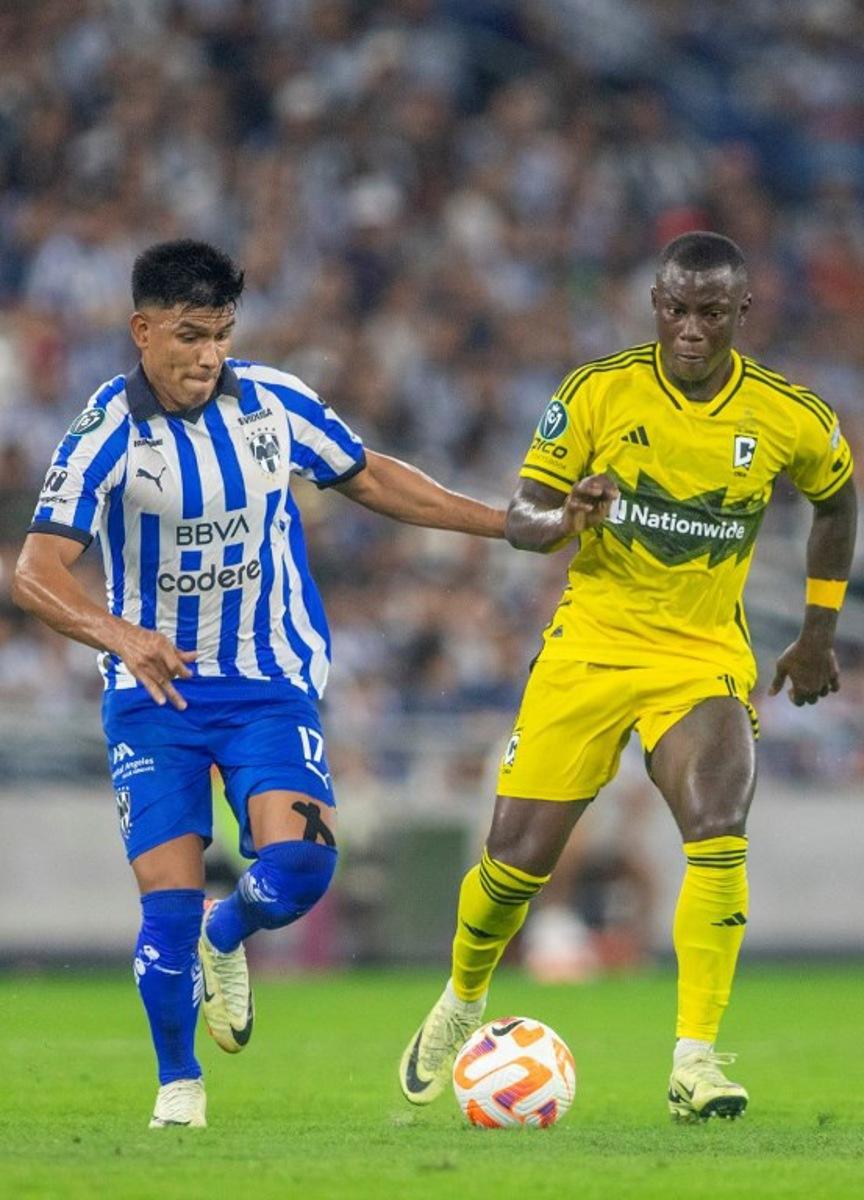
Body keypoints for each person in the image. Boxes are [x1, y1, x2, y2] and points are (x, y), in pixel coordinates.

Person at [12, 238, 506, 1130]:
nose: (209, 355)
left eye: (223, 334)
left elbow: (371, 475)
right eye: (191, 335)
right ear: (142, 330)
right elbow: (35, 571)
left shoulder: (271, 403)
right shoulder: (104, 432)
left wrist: (506, 524)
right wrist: (123, 637)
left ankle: (226, 931)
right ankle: (179, 1087)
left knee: (301, 868)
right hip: (152, 697)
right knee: (162, 907)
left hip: (267, 681)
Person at [398, 231, 857, 1122]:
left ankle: (696, 1060)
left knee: (719, 824)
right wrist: (565, 512)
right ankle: (462, 995)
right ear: (656, 305)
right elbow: (524, 515)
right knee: (513, 865)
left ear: (740, 315)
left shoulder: (788, 414)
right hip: (591, 646)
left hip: (700, 655)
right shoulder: (597, 392)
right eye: (677, 311)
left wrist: (818, 632)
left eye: (711, 314)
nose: (691, 330)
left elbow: (838, 501)